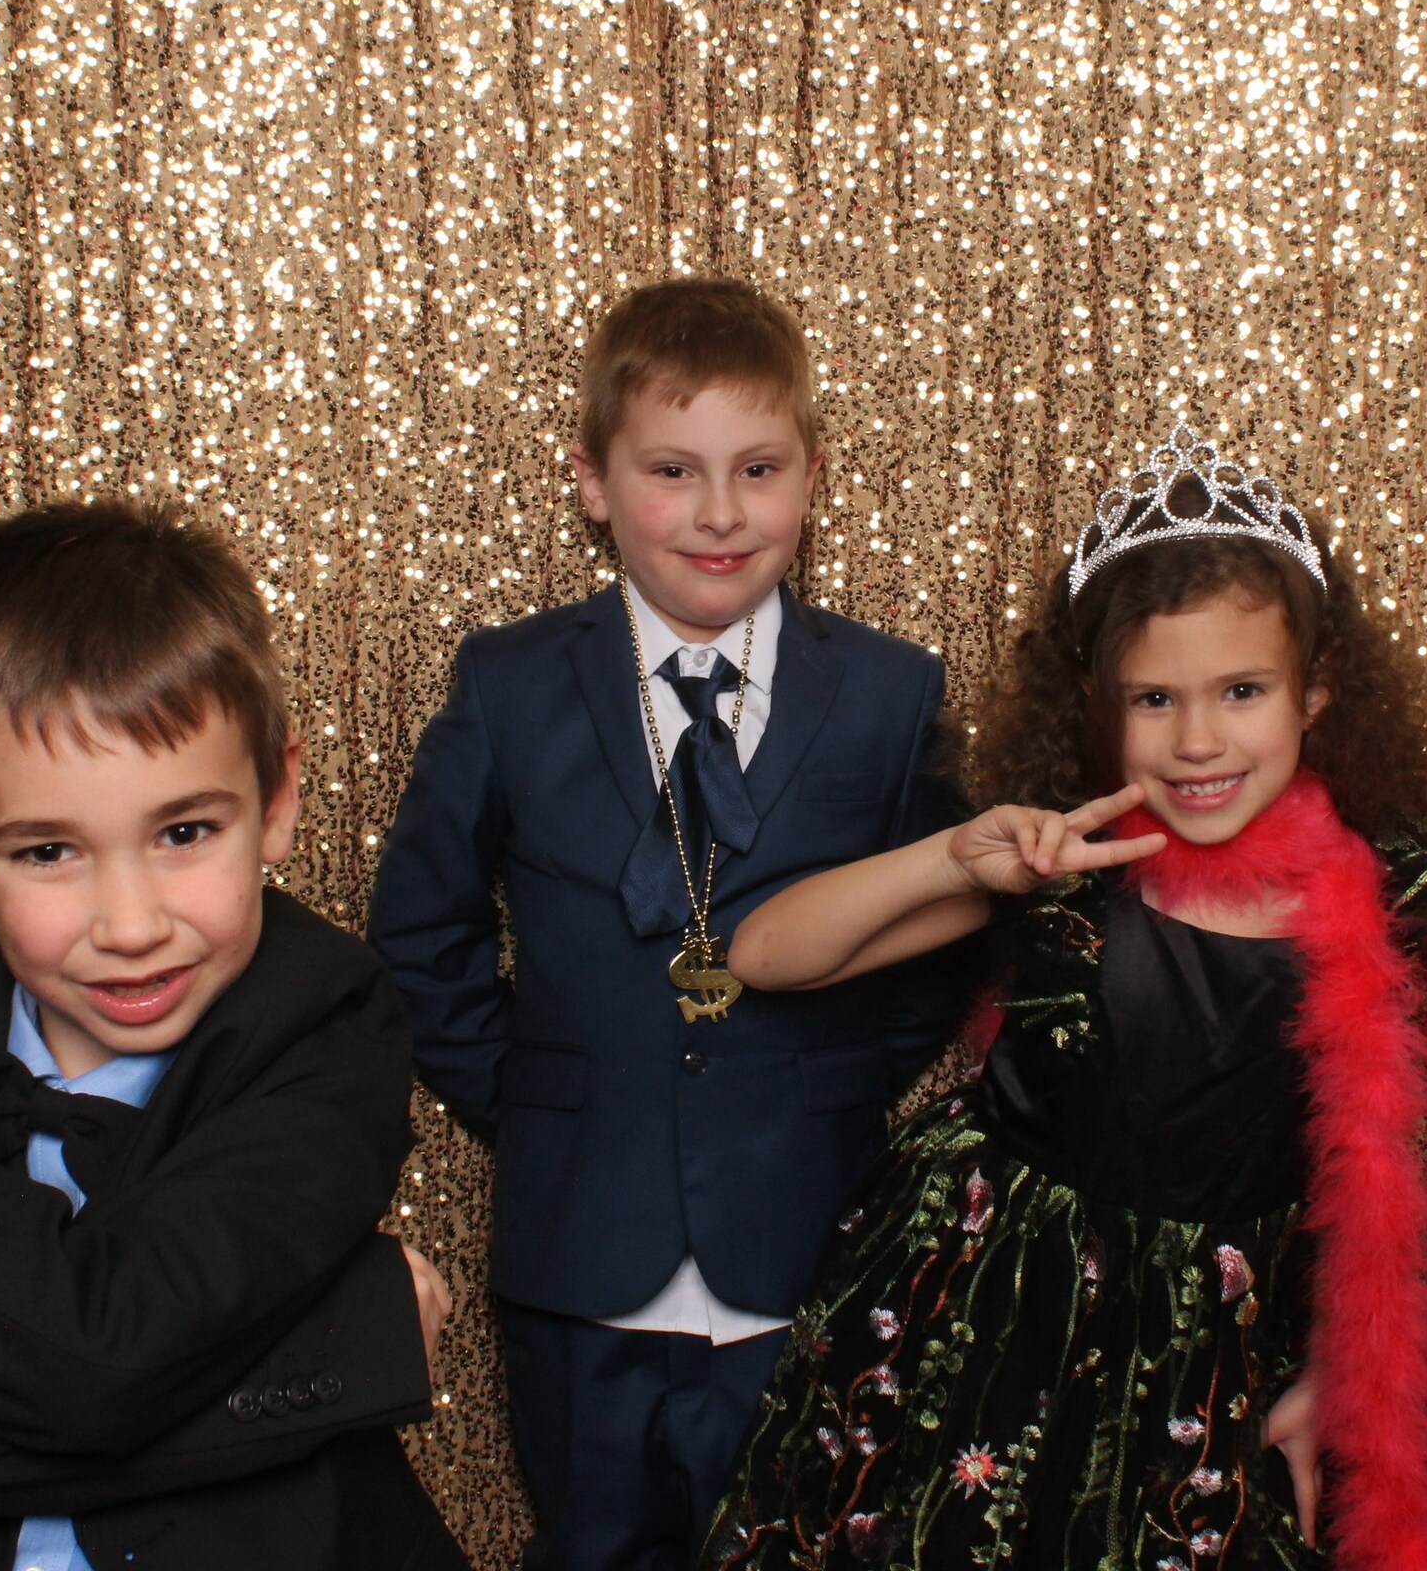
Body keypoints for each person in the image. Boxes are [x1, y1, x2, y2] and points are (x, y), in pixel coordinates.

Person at [699, 421, 1427, 1571]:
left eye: (1242, 690)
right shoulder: (1064, 860)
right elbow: (765, 956)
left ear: (1316, 692)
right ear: (1095, 698)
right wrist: (954, 859)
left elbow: (1378, 1177)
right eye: (1153, 698)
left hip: (1211, 1357)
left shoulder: (1395, 894)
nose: (1198, 739)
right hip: (993, 1318)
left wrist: (1339, 1370)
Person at [365, 276, 972, 1571]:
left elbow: (946, 933)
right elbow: (421, 928)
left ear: (811, 478)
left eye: (759, 469)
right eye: (672, 471)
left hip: (806, 1237)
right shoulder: (510, 682)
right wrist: (533, 1095)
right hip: (582, 1251)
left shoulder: (890, 694)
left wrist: (837, 1086)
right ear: (592, 482)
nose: (720, 512)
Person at [0, 500, 464, 1571]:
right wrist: (346, 1354)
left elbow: (102, 1363)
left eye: (184, 831)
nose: (131, 925)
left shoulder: (322, 1018)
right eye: (48, 852)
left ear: (277, 800)